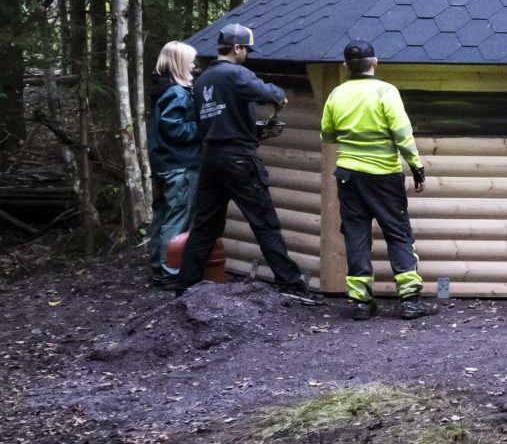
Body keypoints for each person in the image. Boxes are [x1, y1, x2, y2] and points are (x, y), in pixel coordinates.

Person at [172, 23, 315, 303]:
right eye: (246, 49)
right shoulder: (236, 73)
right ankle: (292, 285)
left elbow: (210, 119)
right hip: (239, 158)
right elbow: (271, 94)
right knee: (265, 223)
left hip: (211, 158)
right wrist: (280, 95)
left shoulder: (202, 80)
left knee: (205, 226)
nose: (247, 54)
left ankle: (185, 287)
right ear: (236, 48)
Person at [320, 41, 433, 319]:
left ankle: (361, 303)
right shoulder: (386, 91)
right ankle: (410, 301)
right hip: (384, 176)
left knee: (356, 233)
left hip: (348, 175)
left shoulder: (336, 94)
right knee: (398, 232)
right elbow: (402, 134)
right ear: (375, 62)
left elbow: (327, 134)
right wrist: (416, 166)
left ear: (345, 66)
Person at [145, 41, 203, 285]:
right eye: (190, 61)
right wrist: (203, 126)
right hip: (179, 166)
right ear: (180, 63)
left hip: (163, 165)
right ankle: (172, 273)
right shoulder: (177, 93)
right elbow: (174, 129)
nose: (194, 66)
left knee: (162, 217)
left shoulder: (162, 89)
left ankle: (158, 268)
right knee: (178, 220)